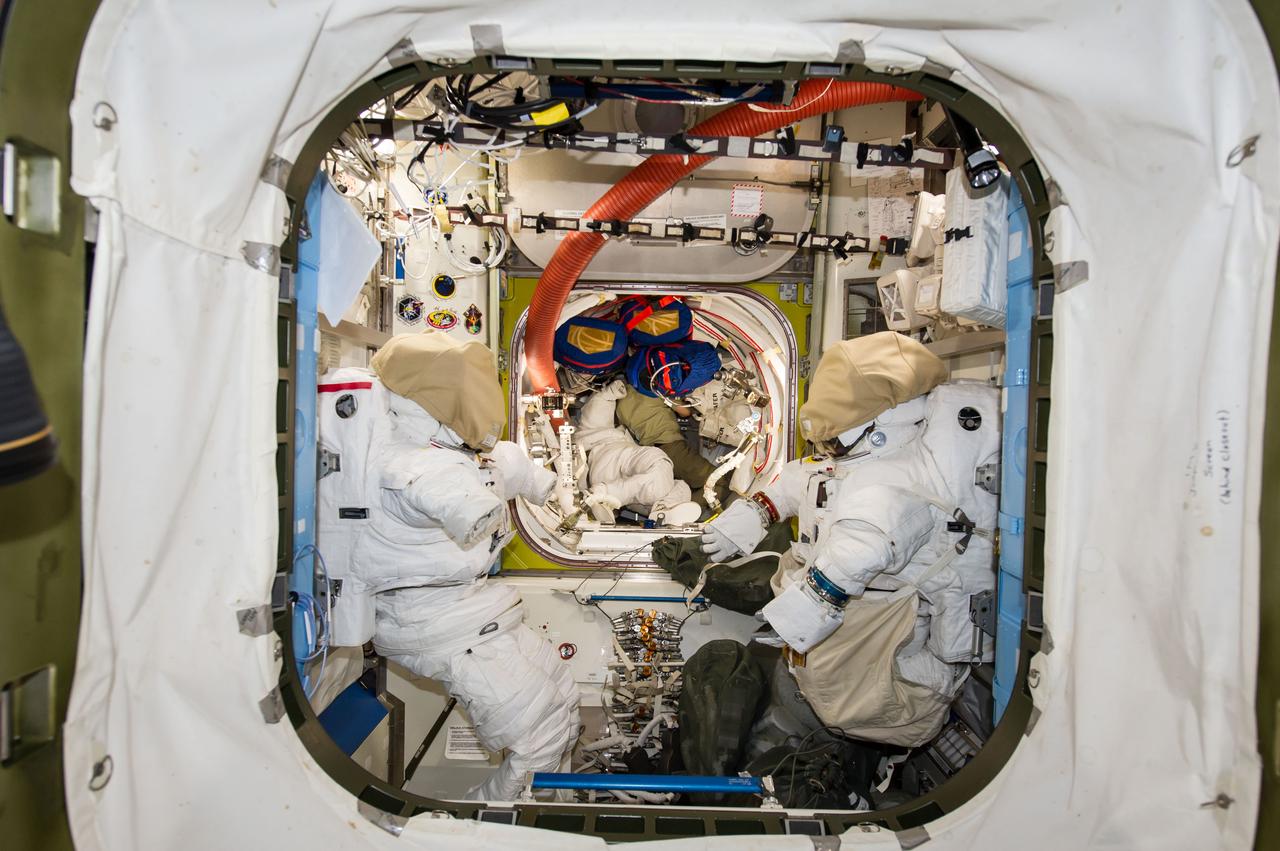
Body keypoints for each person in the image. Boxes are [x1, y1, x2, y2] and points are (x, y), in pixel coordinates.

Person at [700, 331, 999, 747]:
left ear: (882, 427)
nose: (824, 451)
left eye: (833, 442)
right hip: (853, 607)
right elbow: (797, 480)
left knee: (843, 697)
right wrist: (750, 516)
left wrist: (802, 612)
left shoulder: (891, 483)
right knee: (818, 679)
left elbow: (863, 547)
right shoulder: (858, 465)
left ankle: (925, 695)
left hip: (881, 615)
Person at [324, 330, 579, 801]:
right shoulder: (411, 465)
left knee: (563, 695)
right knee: (538, 740)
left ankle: (553, 808)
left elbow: (499, 464)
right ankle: (479, 830)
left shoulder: (447, 449)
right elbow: (448, 492)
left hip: (472, 610)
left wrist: (543, 484)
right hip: (434, 622)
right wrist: (476, 508)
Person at [575, 379, 700, 525]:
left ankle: (660, 510)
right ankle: (606, 493)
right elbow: (604, 397)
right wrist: (618, 387)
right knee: (658, 463)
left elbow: (605, 397)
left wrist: (617, 388)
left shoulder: (590, 428)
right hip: (613, 461)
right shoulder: (593, 428)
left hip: (608, 477)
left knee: (679, 486)